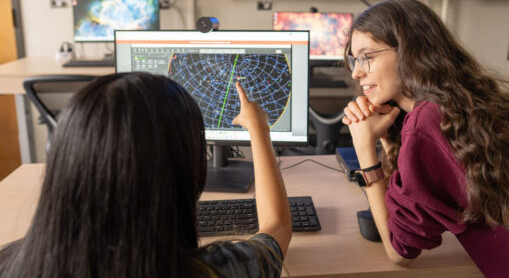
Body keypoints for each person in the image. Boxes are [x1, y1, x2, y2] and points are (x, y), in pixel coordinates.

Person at [341, 0, 509, 277]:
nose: (357, 72)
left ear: (409, 52)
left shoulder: (428, 122)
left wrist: (364, 147)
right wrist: (384, 137)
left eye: (367, 57)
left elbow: (399, 251)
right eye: (354, 59)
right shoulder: (462, 105)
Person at [0, 72, 291, 278]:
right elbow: (276, 229)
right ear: (181, 174)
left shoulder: (9, 262)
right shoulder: (219, 270)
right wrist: (259, 130)